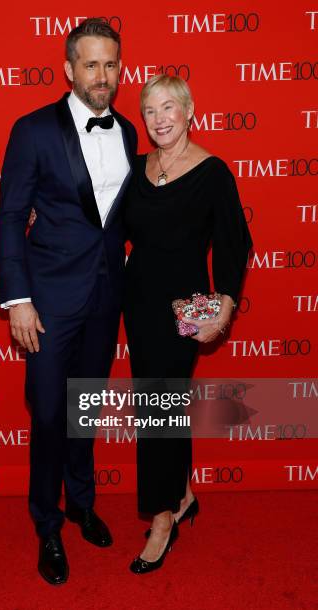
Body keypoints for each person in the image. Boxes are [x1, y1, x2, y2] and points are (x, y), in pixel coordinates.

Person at [0, 18, 137, 585]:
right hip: (48, 300)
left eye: (111, 65)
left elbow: (120, 218)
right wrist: (18, 299)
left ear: (119, 69)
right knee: (50, 412)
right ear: (68, 69)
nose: (101, 76)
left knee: (85, 409)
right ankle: (47, 523)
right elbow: (9, 217)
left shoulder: (127, 131)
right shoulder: (31, 130)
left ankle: (81, 501)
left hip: (106, 296)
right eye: (91, 65)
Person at [123, 74, 252, 574]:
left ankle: (161, 519)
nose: (159, 119)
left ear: (189, 110)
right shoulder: (138, 169)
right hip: (139, 301)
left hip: (188, 305)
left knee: (161, 402)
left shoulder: (213, 171)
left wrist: (223, 307)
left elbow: (235, 242)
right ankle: (182, 493)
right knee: (161, 399)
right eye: (150, 110)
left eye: (168, 107)